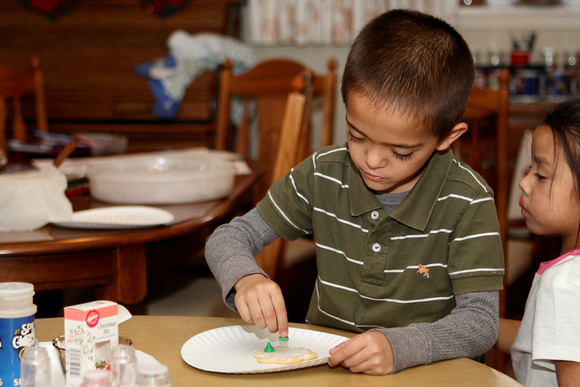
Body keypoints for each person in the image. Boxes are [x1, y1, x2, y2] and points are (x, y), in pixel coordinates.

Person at [205, 9, 505, 375]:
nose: (372, 160)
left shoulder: (468, 201)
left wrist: (400, 347)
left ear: (448, 137)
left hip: (426, 373)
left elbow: (481, 322)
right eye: (356, 136)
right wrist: (244, 277)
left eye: (401, 152)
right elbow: (229, 237)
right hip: (327, 369)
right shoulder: (323, 173)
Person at [496, 98, 580, 386]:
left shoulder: (564, 284)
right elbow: (531, 340)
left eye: (540, 175)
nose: (524, 183)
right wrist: (472, 323)